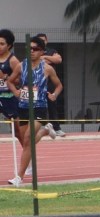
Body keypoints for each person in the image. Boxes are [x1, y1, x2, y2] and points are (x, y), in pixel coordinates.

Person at [10, 37, 63, 186]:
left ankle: (18, 177)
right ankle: (46, 130)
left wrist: (54, 95)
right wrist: (15, 91)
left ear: (42, 52)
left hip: (39, 107)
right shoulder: (21, 66)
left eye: (35, 49)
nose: (31, 51)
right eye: (29, 48)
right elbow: (10, 81)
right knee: (27, 140)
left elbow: (59, 85)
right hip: (23, 107)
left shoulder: (47, 68)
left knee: (27, 140)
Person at [34, 33, 66, 137]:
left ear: (46, 41)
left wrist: (45, 57)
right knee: (36, 106)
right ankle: (38, 128)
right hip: (37, 84)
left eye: (43, 40)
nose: (42, 42)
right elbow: (34, 62)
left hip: (50, 84)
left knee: (52, 105)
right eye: (39, 40)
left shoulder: (52, 51)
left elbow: (58, 60)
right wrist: (48, 59)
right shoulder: (33, 51)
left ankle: (56, 128)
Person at [0, 30, 22, 125]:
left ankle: (44, 131)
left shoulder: (13, 61)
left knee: (18, 131)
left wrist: (4, 77)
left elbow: (20, 80)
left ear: (9, 46)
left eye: (1, 44)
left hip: (9, 97)